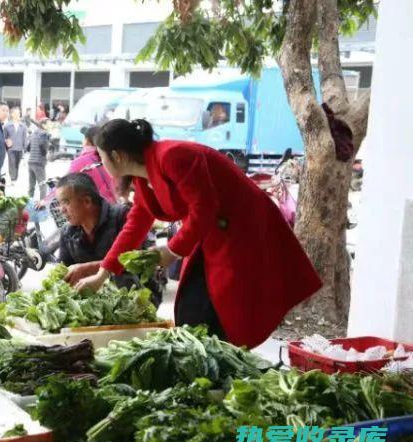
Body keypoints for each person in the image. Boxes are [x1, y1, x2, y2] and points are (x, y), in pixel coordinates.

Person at [73, 119, 322, 348]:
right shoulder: (142, 177)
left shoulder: (173, 155)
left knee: (227, 310)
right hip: (209, 233)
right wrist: (102, 273)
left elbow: (204, 209)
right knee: (192, 309)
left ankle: (222, 369)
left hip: (242, 230)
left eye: (102, 158)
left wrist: (171, 251)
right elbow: (135, 225)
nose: (101, 165)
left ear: (117, 155)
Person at [58, 174, 162, 299]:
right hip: (95, 304)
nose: (61, 210)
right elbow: (63, 272)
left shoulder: (122, 216)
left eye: (66, 202)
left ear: (87, 201)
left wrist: (88, 269)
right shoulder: (67, 232)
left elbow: (136, 261)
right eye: (60, 203)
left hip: (137, 297)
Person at [68, 125, 117, 204]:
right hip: (113, 205)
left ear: (87, 141)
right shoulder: (111, 159)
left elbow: (65, 183)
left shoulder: (79, 162)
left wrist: (45, 200)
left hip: (94, 209)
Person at [26, 119, 50, 199]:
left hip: (30, 162)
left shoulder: (33, 134)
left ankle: (29, 203)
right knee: (43, 186)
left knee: (31, 186)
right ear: (43, 125)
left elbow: (28, 148)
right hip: (39, 163)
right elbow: (44, 151)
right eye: (48, 124)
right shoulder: (44, 134)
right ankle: (42, 205)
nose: (49, 126)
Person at [4, 107, 28, 184]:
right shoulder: (7, 125)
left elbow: (25, 138)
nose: (18, 115)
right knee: (12, 163)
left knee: (17, 164)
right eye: (16, 113)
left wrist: (25, 149)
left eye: (19, 113)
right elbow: (4, 137)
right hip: (11, 148)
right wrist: (6, 144)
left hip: (19, 148)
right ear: (12, 114)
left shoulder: (23, 126)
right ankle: (13, 178)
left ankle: (15, 178)